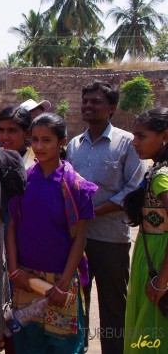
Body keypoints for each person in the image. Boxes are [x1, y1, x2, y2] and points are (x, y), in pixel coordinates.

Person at [66, 80, 147, 353]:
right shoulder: (75, 145)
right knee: (78, 304)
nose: (88, 106)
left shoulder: (126, 144)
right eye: (85, 101)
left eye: (96, 102)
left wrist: (91, 213)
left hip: (111, 240)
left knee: (114, 306)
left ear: (111, 108)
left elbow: (134, 189)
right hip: (78, 241)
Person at [6, 113, 97, 353]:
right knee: (27, 343)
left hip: (60, 282)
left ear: (62, 141)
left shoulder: (76, 186)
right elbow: (12, 226)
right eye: (34, 139)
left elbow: (80, 237)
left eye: (46, 140)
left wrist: (64, 284)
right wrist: (15, 271)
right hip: (26, 281)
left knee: (62, 346)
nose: (38, 146)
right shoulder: (23, 181)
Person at [122, 108, 168, 353]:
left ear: (165, 136)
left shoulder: (162, 176)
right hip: (151, 252)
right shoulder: (156, 170)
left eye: (141, 136)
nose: (134, 142)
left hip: (159, 258)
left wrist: (161, 280)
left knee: (151, 333)